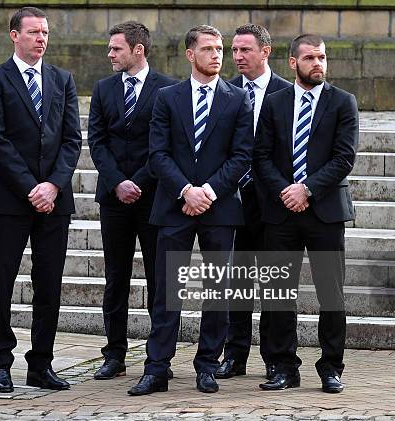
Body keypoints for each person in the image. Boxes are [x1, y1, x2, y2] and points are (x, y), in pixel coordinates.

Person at [127, 25, 253, 396]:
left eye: (220, 49)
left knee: (218, 292)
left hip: (220, 206)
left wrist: (208, 191)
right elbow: (158, 154)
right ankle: (156, 369)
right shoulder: (167, 98)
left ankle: (207, 366)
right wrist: (185, 190)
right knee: (167, 292)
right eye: (209, 49)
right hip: (174, 205)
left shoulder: (237, 99)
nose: (218, 55)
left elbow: (242, 156)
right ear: (190, 54)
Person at [0, 6, 82, 392]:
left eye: (45, 33)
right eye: (34, 32)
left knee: (49, 284)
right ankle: (0, 361)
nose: (41, 39)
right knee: (1, 281)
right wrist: (30, 187)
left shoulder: (62, 79)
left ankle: (42, 363)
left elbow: (72, 138)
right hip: (11, 198)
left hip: (55, 200)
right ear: (14, 35)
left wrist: (53, 185)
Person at [253, 34, 358, 393]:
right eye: (310, 58)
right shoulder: (274, 102)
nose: (319, 64)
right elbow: (261, 156)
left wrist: (307, 189)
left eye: (323, 57)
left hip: (325, 211)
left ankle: (331, 367)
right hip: (282, 211)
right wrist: (287, 191)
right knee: (278, 293)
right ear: (293, 62)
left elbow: (344, 158)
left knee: (331, 293)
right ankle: (283, 366)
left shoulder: (343, 102)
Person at [87, 21, 176, 381]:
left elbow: (165, 144)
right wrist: (118, 182)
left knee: (160, 280)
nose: (110, 54)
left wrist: (137, 181)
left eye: (116, 49)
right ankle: (114, 354)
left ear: (138, 50)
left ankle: (159, 358)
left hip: (154, 197)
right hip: (114, 198)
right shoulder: (104, 88)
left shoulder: (168, 88)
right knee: (115, 278)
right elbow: (97, 140)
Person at [216, 24, 291, 381]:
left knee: (275, 284)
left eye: (245, 50)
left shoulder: (288, 93)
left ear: (266, 51)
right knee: (237, 281)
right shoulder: (225, 91)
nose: (238, 56)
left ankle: (275, 358)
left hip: (275, 203)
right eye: (234, 50)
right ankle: (235, 354)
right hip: (234, 199)